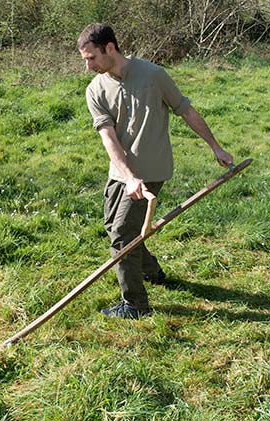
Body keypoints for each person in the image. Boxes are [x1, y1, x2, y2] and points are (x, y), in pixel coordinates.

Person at [78, 23, 234, 319]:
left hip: (151, 168)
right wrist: (127, 176)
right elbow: (108, 138)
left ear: (110, 48)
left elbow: (185, 110)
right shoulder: (95, 90)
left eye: (91, 58)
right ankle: (152, 271)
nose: (88, 66)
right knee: (113, 228)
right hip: (122, 172)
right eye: (85, 60)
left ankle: (135, 305)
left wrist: (215, 147)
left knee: (123, 237)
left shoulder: (153, 75)